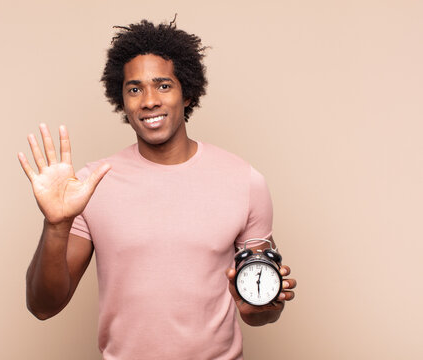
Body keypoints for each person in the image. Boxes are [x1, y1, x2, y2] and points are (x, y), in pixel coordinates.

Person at [18, 18, 296, 360]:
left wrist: (263, 306)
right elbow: (43, 306)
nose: (149, 100)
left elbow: (263, 305)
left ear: (188, 92)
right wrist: (56, 225)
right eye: (134, 89)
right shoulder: (91, 185)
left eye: (163, 85)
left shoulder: (245, 181)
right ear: (122, 100)